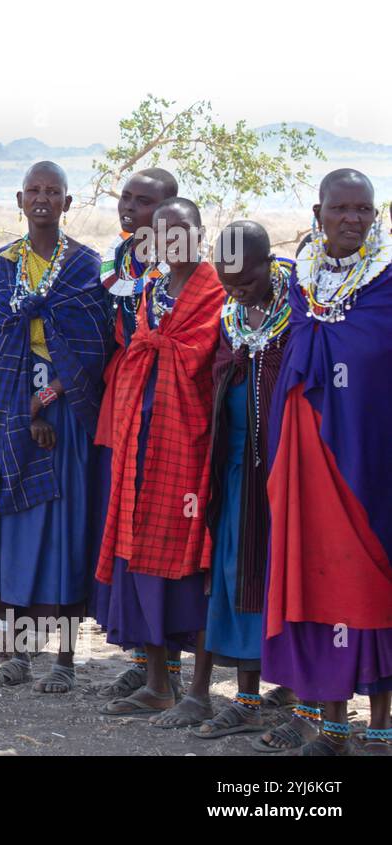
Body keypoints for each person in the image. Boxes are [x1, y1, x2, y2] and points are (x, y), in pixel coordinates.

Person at [148, 221, 300, 733]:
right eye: (228, 281)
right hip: (233, 467)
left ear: (268, 263)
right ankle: (243, 697)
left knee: (281, 575)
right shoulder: (231, 314)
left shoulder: (296, 304)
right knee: (233, 575)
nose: (235, 291)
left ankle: (286, 691)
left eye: (246, 281)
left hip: (285, 469)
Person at [0, 161, 111, 693]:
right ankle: (18, 656)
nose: (43, 199)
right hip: (7, 410)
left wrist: (48, 397)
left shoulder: (87, 266)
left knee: (67, 530)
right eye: (34, 191)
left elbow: (97, 349)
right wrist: (23, 408)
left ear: (69, 203)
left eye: (54, 191)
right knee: (15, 533)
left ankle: (67, 660)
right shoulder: (0, 265)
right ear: (19, 199)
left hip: (68, 412)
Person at [262, 169, 392, 756]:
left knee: (373, 574)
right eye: (340, 209)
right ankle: (333, 722)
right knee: (323, 576)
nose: (352, 220)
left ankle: (383, 719)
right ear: (318, 214)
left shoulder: (387, 282)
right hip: (310, 448)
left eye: (363, 210)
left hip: (374, 455)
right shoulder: (300, 283)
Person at [95, 197, 221, 718]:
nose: (173, 243)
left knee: (192, 562)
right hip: (140, 439)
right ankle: (156, 682)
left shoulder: (218, 292)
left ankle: (199, 690)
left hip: (190, 446)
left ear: (199, 232)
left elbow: (214, 364)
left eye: (183, 232)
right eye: (162, 235)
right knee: (138, 550)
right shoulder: (150, 290)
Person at [93, 168, 181, 698]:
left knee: (157, 526)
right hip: (120, 399)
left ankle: (166, 662)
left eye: (144, 201)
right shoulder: (117, 262)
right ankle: (141, 651)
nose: (129, 207)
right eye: (125, 197)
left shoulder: (185, 268)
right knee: (122, 518)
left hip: (164, 407)